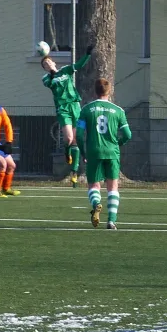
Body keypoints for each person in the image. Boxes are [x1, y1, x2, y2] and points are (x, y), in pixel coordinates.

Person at [76, 78, 132, 230]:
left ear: (95, 91)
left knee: (94, 185)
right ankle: (111, 221)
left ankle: (96, 204)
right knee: (113, 186)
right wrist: (117, 144)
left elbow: (79, 135)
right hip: (112, 152)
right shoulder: (118, 111)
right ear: (110, 91)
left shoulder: (86, 110)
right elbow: (128, 134)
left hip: (94, 151)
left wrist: (83, 152)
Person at [41, 43, 94, 187]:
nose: (48, 64)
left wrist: (88, 54)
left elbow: (78, 65)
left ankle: (74, 172)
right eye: (45, 64)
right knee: (69, 138)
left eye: (49, 62)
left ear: (54, 62)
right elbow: (50, 83)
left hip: (74, 106)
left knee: (76, 139)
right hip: (62, 108)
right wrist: (51, 72)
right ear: (44, 67)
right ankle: (66, 151)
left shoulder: (65, 71)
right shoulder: (46, 78)